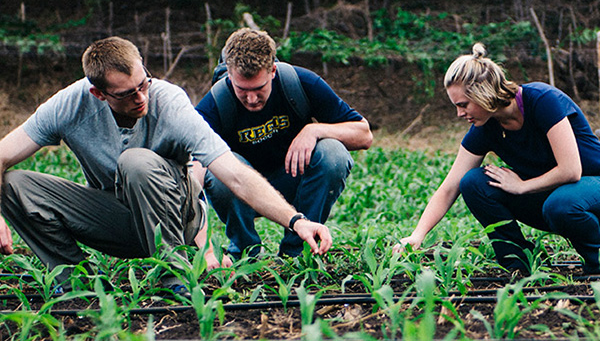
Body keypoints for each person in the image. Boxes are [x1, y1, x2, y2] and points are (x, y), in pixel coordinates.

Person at [0, 36, 332, 292]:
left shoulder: (169, 101)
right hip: (118, 219)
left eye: (143, 84)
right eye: (127, 94)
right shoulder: (69, 105)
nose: (141, 97)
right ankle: (75, 282)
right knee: (12, 184)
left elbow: (232, 172)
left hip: (177, 218)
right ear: (99, 94)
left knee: (136, 162)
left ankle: (174, 273)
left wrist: (296, 221)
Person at [394, 43, 600, 274]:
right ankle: (521, 263)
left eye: (463, 105)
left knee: (562, 204)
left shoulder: (542, 100)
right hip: (555, 196)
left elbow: (571, 170)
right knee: (474, 183)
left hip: (592, 186)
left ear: (483, 93)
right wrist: (417, 235)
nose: (460, 114)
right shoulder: (486, 127)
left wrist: (522, 186)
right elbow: (450, 187)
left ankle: (596, 260)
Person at [195, 28, 372, 259]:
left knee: (333, 153)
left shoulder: (300, 82)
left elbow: (364, 134)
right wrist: (205, 249)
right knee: (216, 167)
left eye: (259, 89)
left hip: (294, 180)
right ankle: (245, 253)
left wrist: (314, 130)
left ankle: (297, 251)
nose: (251, 99)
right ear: (229, 74)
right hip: (243, 189)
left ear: (273, 71)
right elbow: (192, 174)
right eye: (242, 90)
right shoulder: (214, 104)